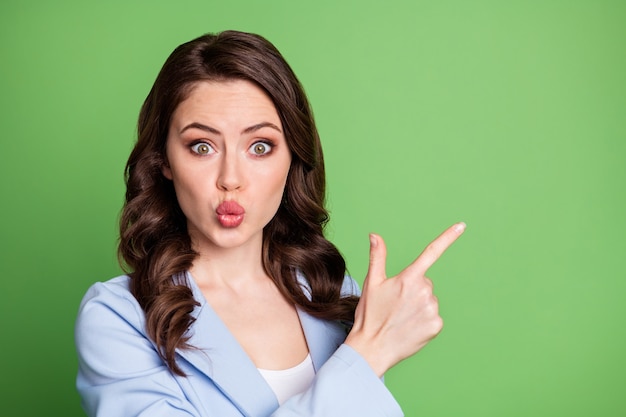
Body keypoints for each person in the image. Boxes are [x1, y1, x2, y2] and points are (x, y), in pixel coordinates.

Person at [75, 30, 465, 416]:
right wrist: (368, 353)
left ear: (293, 157)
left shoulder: (328, 291)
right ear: (164, 161)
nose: (231, 178)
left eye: (260, 146)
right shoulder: (118, 317)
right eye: (202, 146)